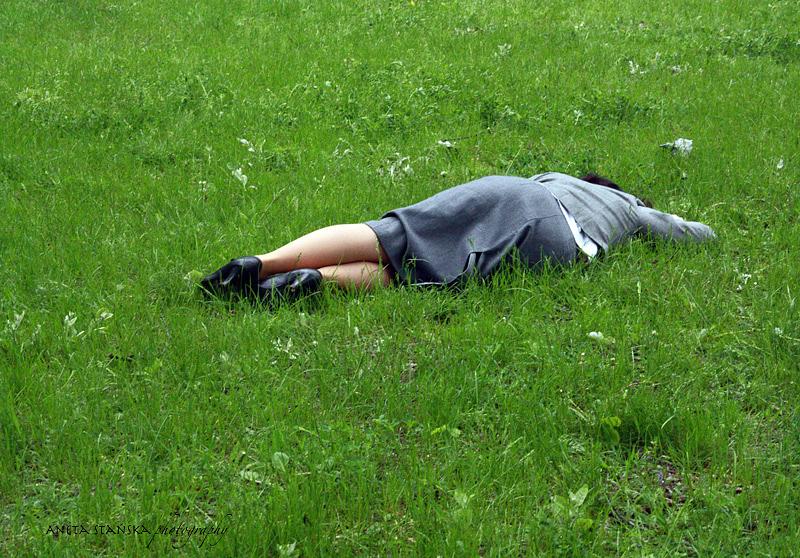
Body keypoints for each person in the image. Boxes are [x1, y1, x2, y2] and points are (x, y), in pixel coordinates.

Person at [199, 172, 717, 304]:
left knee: (393, 234)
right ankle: (320, 282)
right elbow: (692, 235)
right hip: (556, 234)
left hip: (512, 190)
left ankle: (263, 264)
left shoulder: (556, 176)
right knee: (421, 277)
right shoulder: (628, 208)